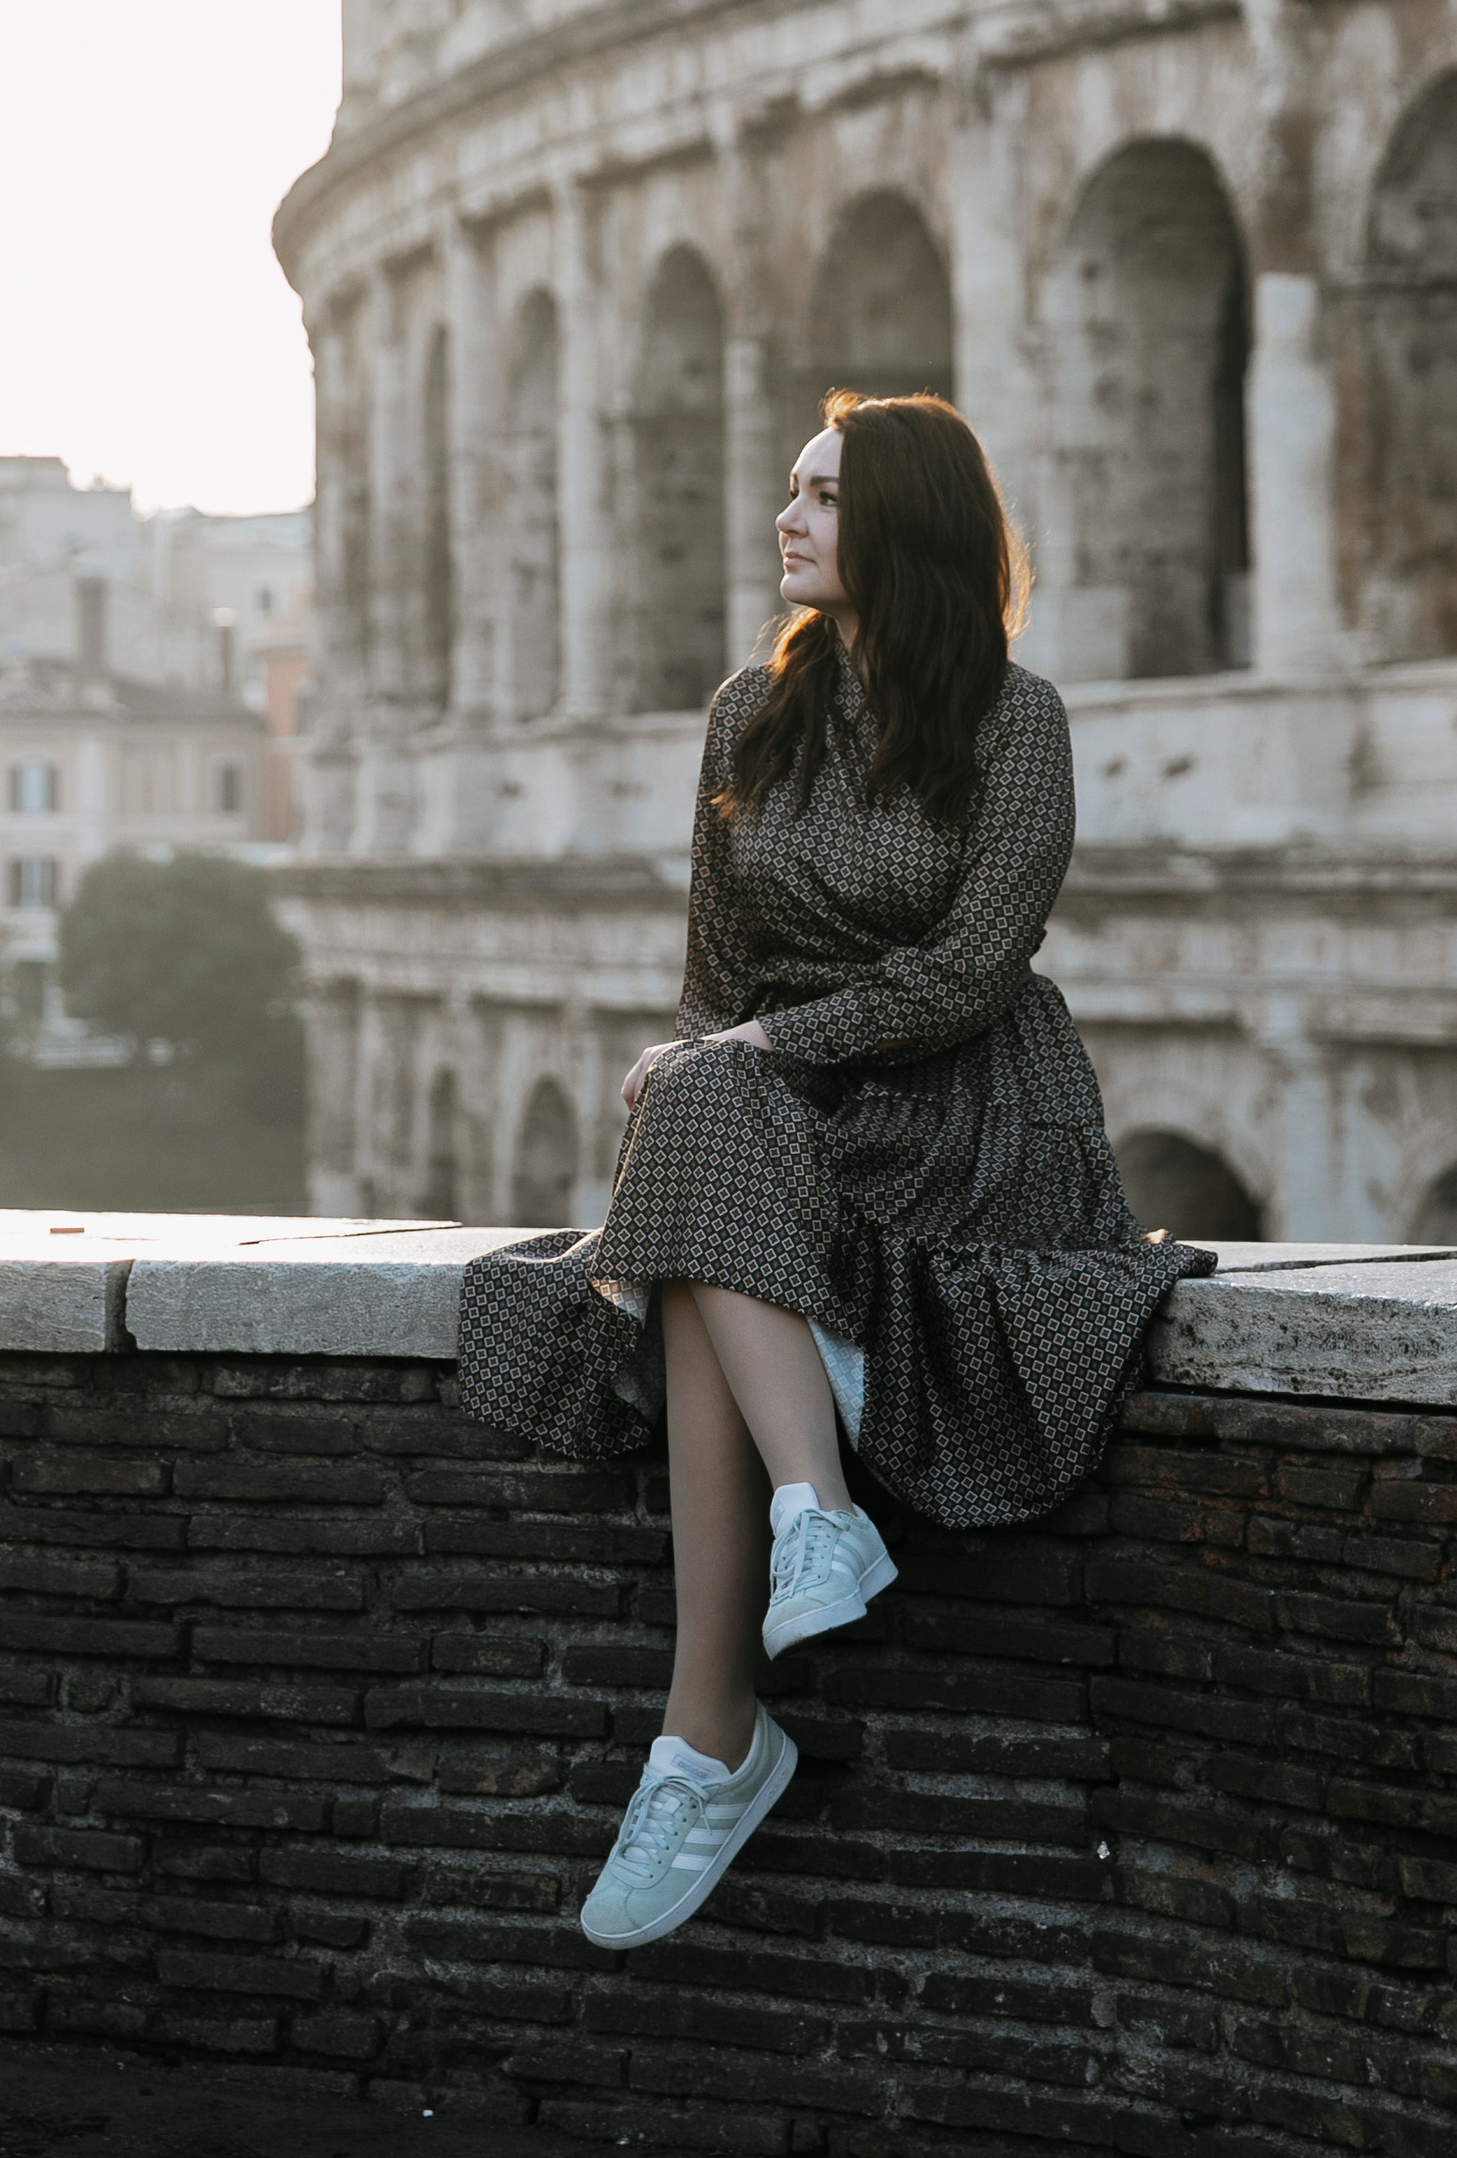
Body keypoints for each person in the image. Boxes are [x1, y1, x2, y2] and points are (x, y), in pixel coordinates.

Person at [455, 389, 1214, 1953]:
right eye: (790, 492)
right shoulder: (750, 714)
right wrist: (707, 1056)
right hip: (784, 1115)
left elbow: (971, 973)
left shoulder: (1018, 720)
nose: (787, 520)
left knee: (698, 1174)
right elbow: (711, 972)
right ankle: (811, 1527)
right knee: (693, 1101)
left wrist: (741, 1059)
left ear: (912, 530)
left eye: (822, 496)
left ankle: (714, 1737)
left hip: (965, 1114)